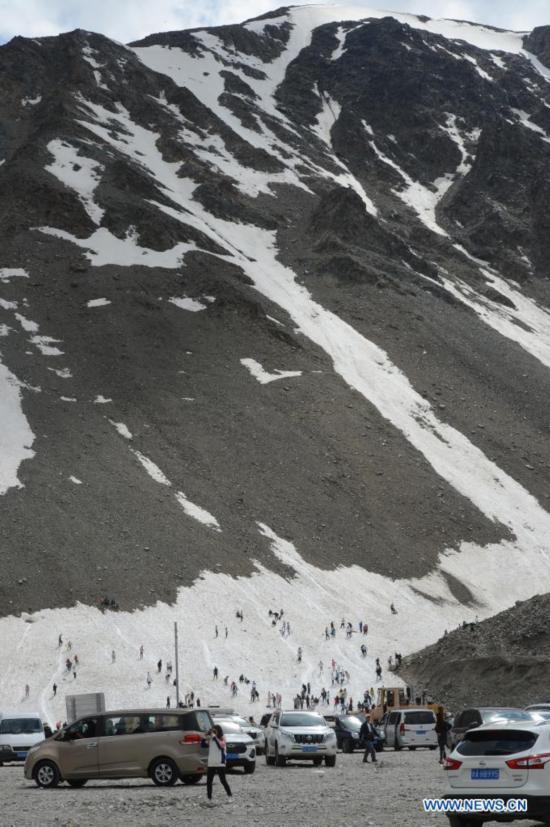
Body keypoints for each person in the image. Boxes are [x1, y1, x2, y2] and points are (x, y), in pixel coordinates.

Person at [205, 724, 232, 803]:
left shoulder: (222, 738)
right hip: (211, 763)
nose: (213, 732)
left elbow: (220, 746)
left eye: (215, 731)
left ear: (219, 731)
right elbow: (203, 745)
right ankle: (209, 798)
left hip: (220, 763)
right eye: (213, 731)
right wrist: (205, 737)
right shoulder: (211, 739)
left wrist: (214, 737)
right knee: (209, 782)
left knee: (223, 780)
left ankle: (230, 796)